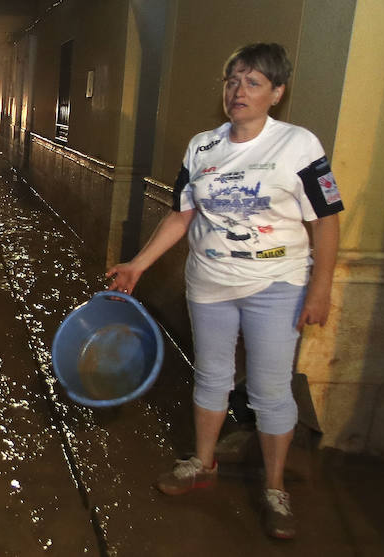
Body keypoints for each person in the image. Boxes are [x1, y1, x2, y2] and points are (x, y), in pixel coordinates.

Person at [106, 43, 343, 540]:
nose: (239, 91)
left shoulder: (299, 146)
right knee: (211, 375)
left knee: (270, 388)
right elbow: (182, 213)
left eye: (254, 83)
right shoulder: (202, 147)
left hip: (276, 285)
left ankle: (275, 488)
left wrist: (320, 289)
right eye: (232, 80)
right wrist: (138, 265)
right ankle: (203, 462)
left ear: (276, 93)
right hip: (210, 283)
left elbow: (325, 220)